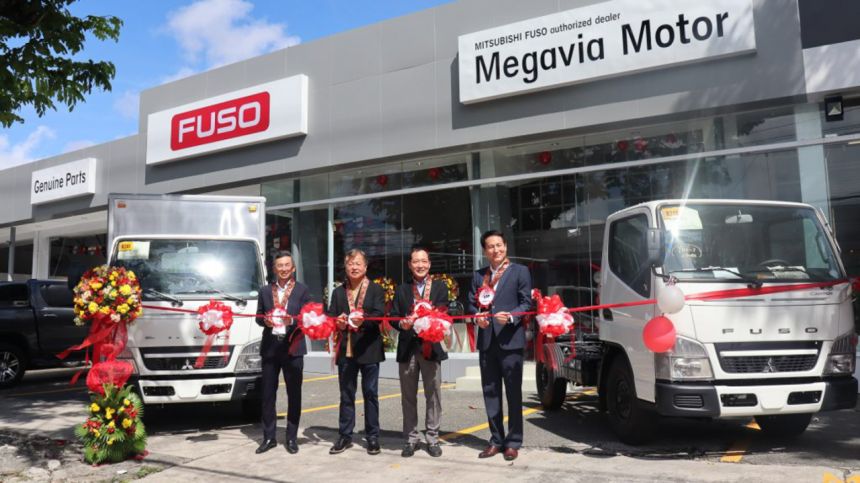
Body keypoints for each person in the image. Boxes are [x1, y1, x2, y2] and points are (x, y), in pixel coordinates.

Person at [467, 230, 532, 461]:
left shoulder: (520, 271)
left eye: (499, 245)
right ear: (485, 251)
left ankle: (513, 442)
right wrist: (477, 317)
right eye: (491, 246)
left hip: (510, 341)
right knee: (491, 392)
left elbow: (526, 302)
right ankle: (496, 440)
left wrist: (512, 316)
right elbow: (471, 304)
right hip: (487, 342)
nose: (496, 250)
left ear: (505, 246)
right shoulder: (478, 276)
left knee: (513, 393)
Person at [391, 246, 448, 458]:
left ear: (429, 264)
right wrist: (402, 324)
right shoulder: (402, 289)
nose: (420, 265)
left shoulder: (440, 286)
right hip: (408, 348)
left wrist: (430, 319)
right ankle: (411, 439)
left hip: (431, 347)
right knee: (408, 396)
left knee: (433, 395)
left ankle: (432, 438)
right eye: (416, 261)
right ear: (409, 265)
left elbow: (444, 311)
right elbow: (394, 316)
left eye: (424, 261)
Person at [327, 248, 385, 455]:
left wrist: (364, 320)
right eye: (350, 263)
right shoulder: (338, 292)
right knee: (346, 394)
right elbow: (331, 316)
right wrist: (338, 322)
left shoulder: (376, 289)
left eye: (358, 263)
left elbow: (379, 315)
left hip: (369, 348)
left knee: (370, 394)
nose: (354, 267)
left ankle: (373, 436)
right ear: (345, 267)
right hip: (347, 350)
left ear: (365, 267)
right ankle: (345, 435)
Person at [254, 250, 311, 455]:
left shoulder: (302, 290)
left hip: (293, 347)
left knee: (294, 394)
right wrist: (265, 321)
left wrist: (292, 320)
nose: (284, 269)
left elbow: (308, 317)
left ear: (293, 268)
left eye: (287, 265)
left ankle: (291, 437)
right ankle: (269, 437)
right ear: (274, 269)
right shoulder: (265, 291)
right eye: (280, 265)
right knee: (268, 394)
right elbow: (258, 316)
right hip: (270, 348)